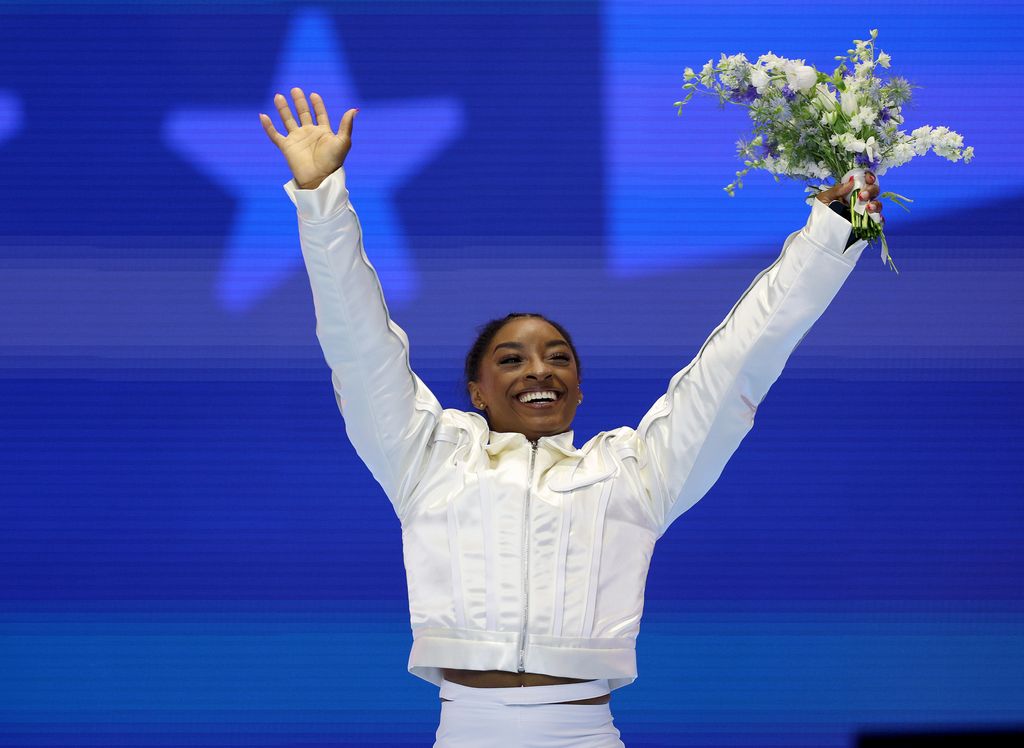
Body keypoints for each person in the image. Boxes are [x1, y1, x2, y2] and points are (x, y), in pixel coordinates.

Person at [260, 87, 884, 748]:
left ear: (579, 389)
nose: (538, 369)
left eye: (558, 357)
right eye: (511, 359)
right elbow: (356, 342)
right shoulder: (425, 459)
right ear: (476, 389)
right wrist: (322, 195)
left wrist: (834, 230)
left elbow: (739, 362)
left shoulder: (635, 475)